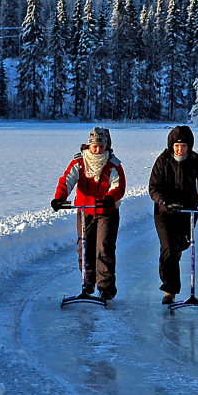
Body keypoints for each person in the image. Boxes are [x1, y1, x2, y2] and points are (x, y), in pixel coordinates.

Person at [148, 125, 198, 304]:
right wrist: (162, 202)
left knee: (180, 245)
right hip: (164, 212)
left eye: (183, 146)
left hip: (187, 212)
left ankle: (176, 252)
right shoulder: (162, 161)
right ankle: (170, 290)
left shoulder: (197, 161)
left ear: (189, 145)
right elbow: (154, 187)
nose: (179, 149)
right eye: (176, 146)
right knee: (168, 247)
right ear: (171, 145)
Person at [51, 126, 126, 301]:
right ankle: (87, 284)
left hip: (107, 212)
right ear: (88, 146)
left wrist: (110, 197)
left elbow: (119, 186)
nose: (98, 149)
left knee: (104, 248)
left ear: (106, 146)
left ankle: (105, 288)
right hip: (85, 212)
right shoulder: (79, 163)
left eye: (101, 146)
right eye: (94, 146)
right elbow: (67, 180)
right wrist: (59, 198)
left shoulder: (113, 164)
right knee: (84, 247)